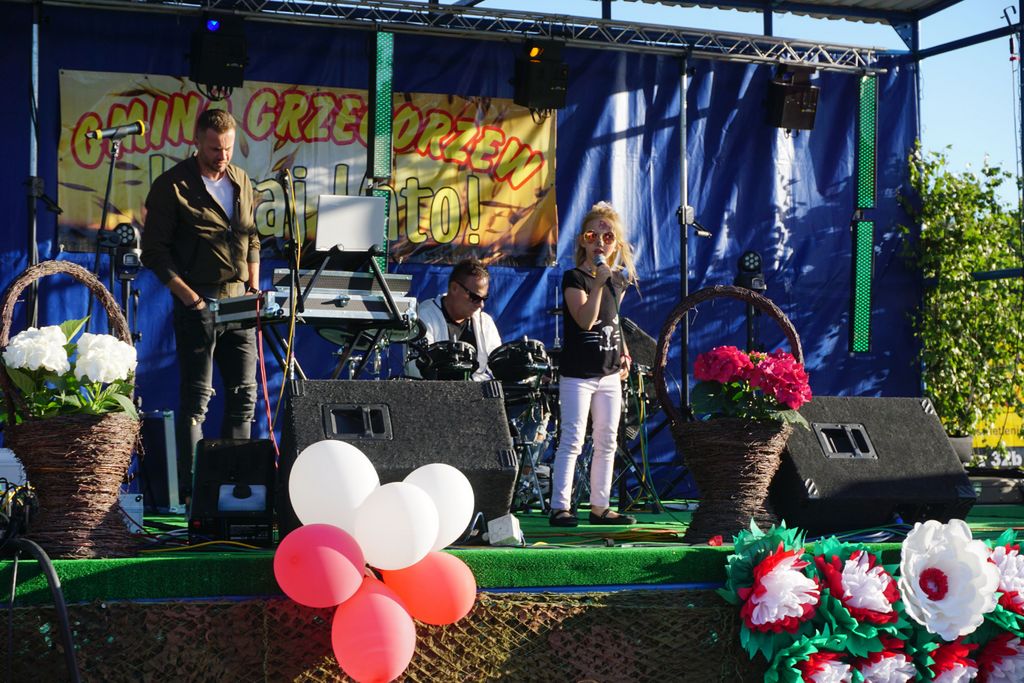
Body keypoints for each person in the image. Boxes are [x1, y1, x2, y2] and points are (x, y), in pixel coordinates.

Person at [140, 108, 260, 503]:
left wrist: (254, 284)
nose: (222, 156)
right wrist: (188, 296)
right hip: (199, 301)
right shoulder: (171, 186)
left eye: (228, 148)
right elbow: (154, 252)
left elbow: (252, 236)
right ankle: (196, 493)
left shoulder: (241, 180)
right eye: (214, 149)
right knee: (197, 399)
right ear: (197, 142)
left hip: (239, 300)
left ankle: (238, 488)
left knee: (244, 394)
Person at [549, 201, 639, 527]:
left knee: (607, 440)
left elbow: (612, 320)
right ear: (583, 241)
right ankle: (560, 506)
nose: (600, 241)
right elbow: (586, 320)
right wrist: (599, 282)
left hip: (609, 372)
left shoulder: (619, 280)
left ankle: (600, 506)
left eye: (608, 236)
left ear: (616, 244)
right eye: (592, 235)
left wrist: (624, 352)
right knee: (573, 439)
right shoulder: (574, 278)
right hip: (579, 373)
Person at [406, 259, 502, 381]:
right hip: (433, 391)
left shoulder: (485, 322)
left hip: (477, 390)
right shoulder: (424, 316)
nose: (481, 305)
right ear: (454, 288)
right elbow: (417, 368)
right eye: (475, 297)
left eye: (484, 298)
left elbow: (498, 366)